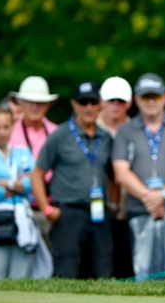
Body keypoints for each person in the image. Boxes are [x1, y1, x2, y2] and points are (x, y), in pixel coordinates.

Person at [112, 73, 165, 280]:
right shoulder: (126, 130)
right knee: (143, 274)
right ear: (136, 100)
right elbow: (121, 172)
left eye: (156, 97)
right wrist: (149, 197)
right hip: (139, 210)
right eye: (145, 97)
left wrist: (164, 194)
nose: (151, 102)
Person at [31, 82, 114, 279]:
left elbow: (113, 176)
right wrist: (47, 209)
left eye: (93, 102)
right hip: (68, 212)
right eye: (83, 102)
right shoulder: (60, 135)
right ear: (74, 104)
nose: (89, 107)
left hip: (99, 212)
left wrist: (114, 203)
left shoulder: (106, 137)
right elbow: (37, 174)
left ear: (100, 104)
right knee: (66, 271)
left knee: (103, 269)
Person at [0, 104, 51, 279]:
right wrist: (18, 184)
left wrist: (4, 183)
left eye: (6, 127)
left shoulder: (22, 152)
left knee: (22, 274)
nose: (2, 132)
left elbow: (35, 183)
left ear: (12, 127)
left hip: (22, 219)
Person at [9, 76, 59, 247]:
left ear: (48, 105)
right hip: (19, 206)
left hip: (51, 206)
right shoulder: (8, 134)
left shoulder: (57, 133)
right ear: (20, 103)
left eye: (40, 102)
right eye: (30, 101)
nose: (35, 106)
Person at [97, 75, 134, 279]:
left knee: (124, 265)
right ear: (102, 101)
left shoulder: (137, 129)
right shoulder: (91, 128)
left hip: (129, 207)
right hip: (97, 207)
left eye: (120, 101)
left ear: (128, 103)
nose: (116, 105)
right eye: (111, 100)